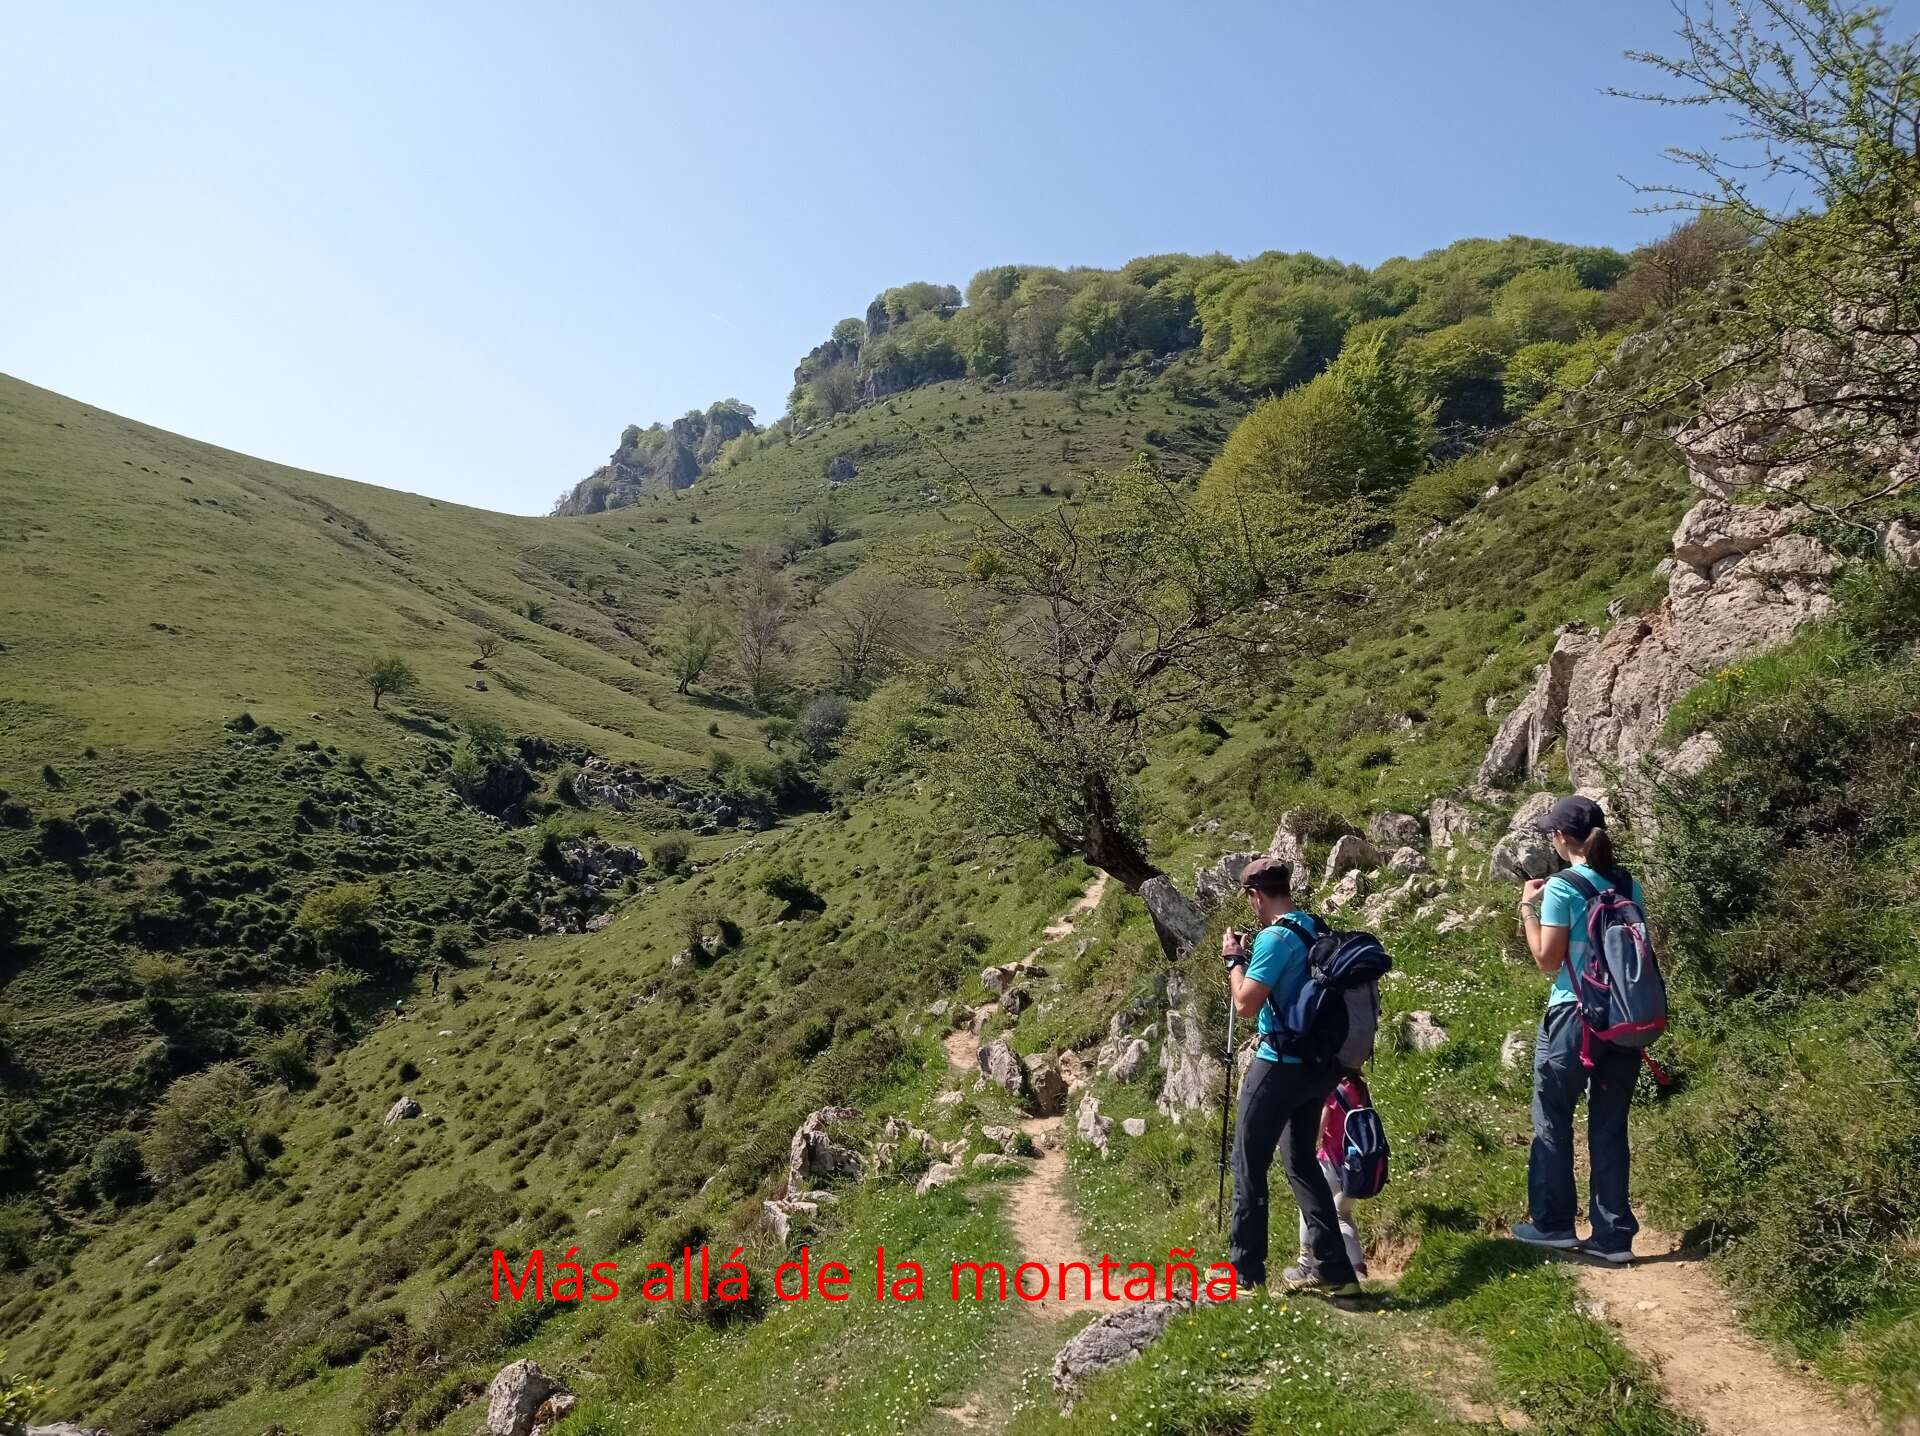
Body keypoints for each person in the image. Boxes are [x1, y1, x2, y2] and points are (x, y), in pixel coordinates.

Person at [1222, 856, 1361, 1296]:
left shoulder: (1273, 938)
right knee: (1302, 1163)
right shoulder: (1315, 927)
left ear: (1255, 896)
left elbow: (1245, 1004)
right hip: (1317, 1068)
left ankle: (1245, 1274)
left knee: (1248, 1163)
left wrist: (1234, 961)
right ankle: (1335, 1272)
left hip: (1278, 1065)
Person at [1513, 794, 1643, 1264]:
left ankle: (1553, 1224)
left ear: (1562, 838)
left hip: (1575, 1014)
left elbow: (1548, 960)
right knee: (1609, 1125)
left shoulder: (1562, 887)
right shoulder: (1628, 882)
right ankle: (1613, 1237)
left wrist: (1527, 909)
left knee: (1552, 1115)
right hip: (1625, 1016)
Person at [1294, 1076, 1370, 1281]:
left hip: (1332, 1163)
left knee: (1307, 1207)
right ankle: (1357, 1269)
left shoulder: (1333, 1090)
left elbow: (1318, 1132)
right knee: (1342, 1215)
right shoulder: (1359, 1087)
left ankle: (1305, 1265)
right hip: (1357, 1168)